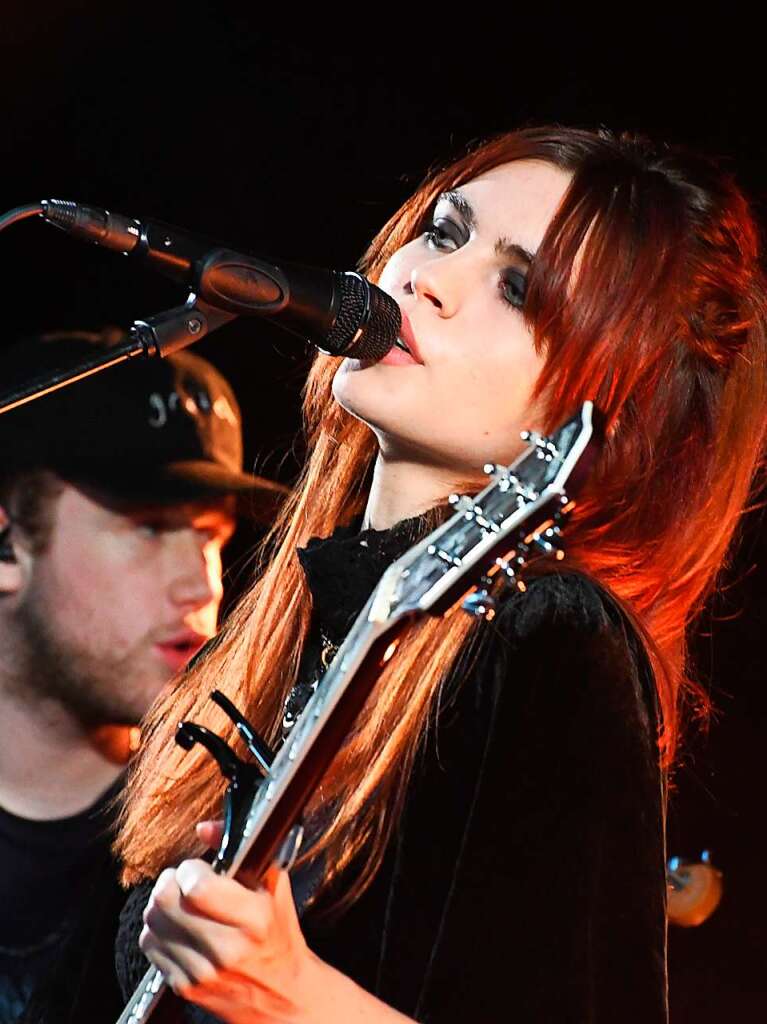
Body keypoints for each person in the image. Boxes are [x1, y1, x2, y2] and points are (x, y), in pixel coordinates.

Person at [114, 126, 767, 1024]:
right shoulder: (306, 624)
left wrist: (295, 999)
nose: (423, 278)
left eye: (516, 288)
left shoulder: (552, 634)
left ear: (606, 417)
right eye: (445, 230)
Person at [0, 330, 287, 1023]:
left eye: (213, 536)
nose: (202, 584)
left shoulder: (225, 844)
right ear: (8, 547)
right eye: (152, 527)